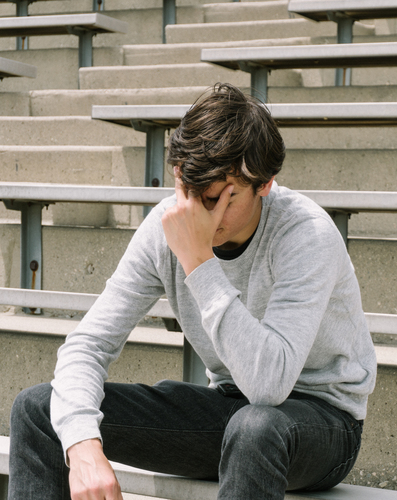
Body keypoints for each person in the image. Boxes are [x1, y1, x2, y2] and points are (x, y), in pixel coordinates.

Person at [9, 83, 377, 500]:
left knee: (256, 426)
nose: (201, 211)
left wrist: (200, 262)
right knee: (40, 409)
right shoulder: (166, 225)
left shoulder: (305, 234)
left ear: (265, 184)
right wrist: (83, 446)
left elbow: (269, 385)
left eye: (220, 197)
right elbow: (88, 345)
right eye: (191, 192)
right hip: (228, 409)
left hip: (323, 422)